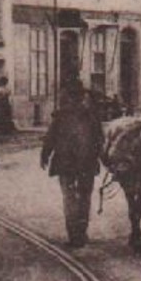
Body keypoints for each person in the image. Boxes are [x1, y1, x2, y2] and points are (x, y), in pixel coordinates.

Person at [40, 83, 104, 247]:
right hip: (87, 163)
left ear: (68, 97)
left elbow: (50, 138)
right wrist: (99, 157)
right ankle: (82, 232)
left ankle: (73, 235)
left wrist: (45, 155)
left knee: (69, 198)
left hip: (65, 163)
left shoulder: (61, 116)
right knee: (85, 197)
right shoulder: (92, 116)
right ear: (82, 98)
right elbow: (100, 140)